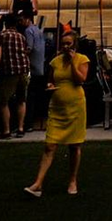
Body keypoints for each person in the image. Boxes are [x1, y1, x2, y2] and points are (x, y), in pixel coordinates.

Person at [24, 29, 89, 197]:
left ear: (75, 45)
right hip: (57, 107)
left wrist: (73, 62)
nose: (66, 47)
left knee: (74, 146)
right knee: (49, 145)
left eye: (69, 44)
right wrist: (50, 87)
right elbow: (51, 80)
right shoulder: (55, 62)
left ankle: (73, 180)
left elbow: (80, 79)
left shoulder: (82, 60)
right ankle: (38, 183)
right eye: (64, 44)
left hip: (75, 107)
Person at [0, 13, 30, 139]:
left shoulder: (1, 35)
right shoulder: (21, 36)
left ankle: (6, 130)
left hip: (9, 71)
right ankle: (20, 128)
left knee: (3, 101)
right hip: (23, 70)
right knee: (21, 100)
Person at [20, 14, 47, 130]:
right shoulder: (39, 30)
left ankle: (29, 123)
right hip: (41, 66)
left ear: (27, 19)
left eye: (21, 20)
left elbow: (29, 48)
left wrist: (20, 54)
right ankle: (40, 121)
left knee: (29, 97)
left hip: (33, 68)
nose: (20, 23)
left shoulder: (28, 31)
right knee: (39, 96)